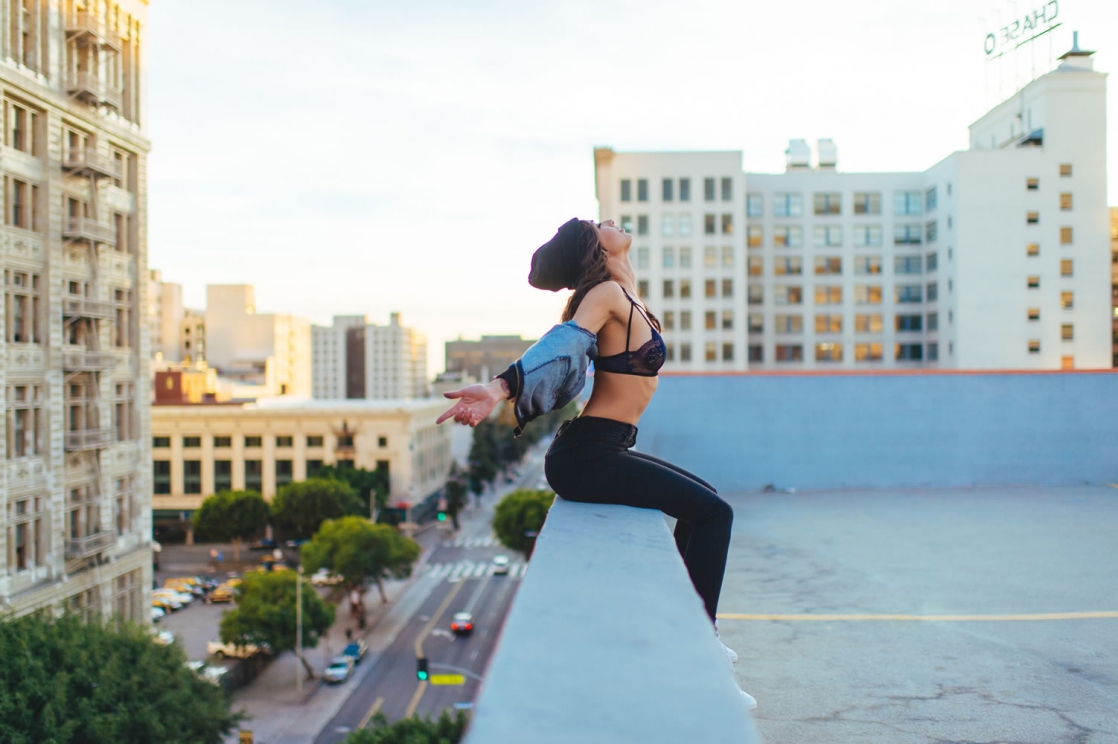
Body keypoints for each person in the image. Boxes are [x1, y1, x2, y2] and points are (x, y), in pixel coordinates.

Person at [437, 217, 755, 709]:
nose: (611, 220)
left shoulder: (625, 291)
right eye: (598, 223)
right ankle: (697, 654)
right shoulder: (605, 294)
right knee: (717, 516)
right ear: (594, 247)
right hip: (586, 454)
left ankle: (688, 632)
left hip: (608, 446)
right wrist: (500, 388)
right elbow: (562, 342)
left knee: (707, 503)